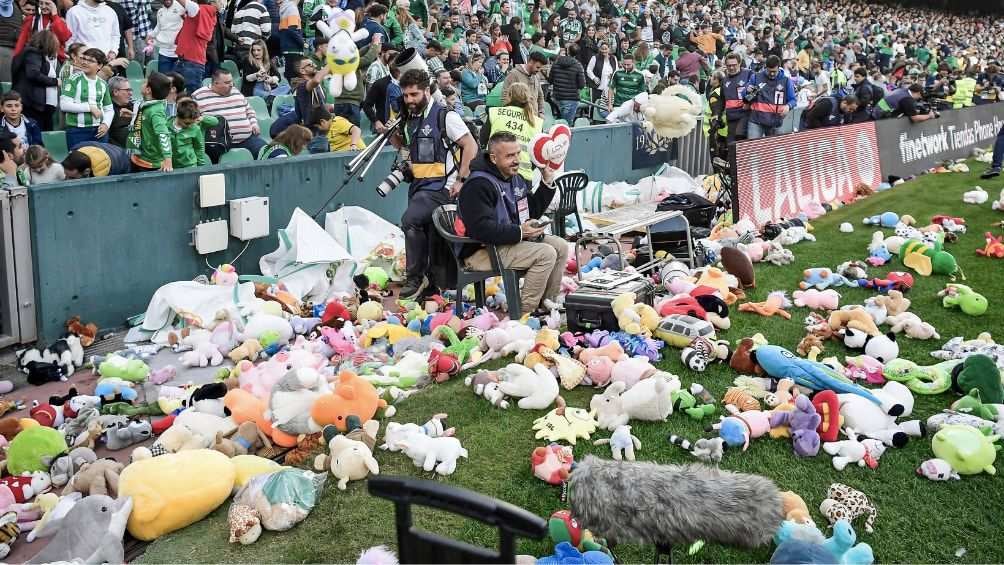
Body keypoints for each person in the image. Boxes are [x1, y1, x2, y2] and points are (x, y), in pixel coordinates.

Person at [457, 130, 564, 316]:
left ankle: (547, 304)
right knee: (545, 253)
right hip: (481, 250)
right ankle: (524, 313)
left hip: (507, 241)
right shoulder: (477, 184)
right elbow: (480, 229)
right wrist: (520, 232)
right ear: (493, 158)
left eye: (517, 154)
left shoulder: (516, 178)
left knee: (560, 246)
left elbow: (528, 211)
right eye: (509, 156)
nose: (516, 160)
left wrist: (546, 183)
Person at [392, 68, 477, 301]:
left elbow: (470, 146)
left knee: (410, 220)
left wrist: (461, 180)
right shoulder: (410, 118)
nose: (409, 100)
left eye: (414, 95)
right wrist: (391, 131)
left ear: (427, 92)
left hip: (442, 188)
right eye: (406, 95)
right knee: (429, 235)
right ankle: (432, 285)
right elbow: (404, 149)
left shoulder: (445, 116)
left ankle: (415, 277)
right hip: (419, 187)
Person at [192, 69, 268, 156]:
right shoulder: (198, 96)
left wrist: (254, 123)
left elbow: (249, 110)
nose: (231, 85)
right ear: (215, 83)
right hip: (217, 145)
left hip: (247, 139)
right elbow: (193, 120)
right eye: (227, 82)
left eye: (231, 81)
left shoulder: (235, 91)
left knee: (269, 152)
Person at [479, 81, 540, 181]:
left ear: (509, 96)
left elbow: (483, 139)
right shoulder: (536, 122)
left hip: (496, 172)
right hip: (523, 177)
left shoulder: (495, 113)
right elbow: (537, 155)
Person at [60, 48, 113, 149]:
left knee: (100, 162)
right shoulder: (73, 80)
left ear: (99, 66)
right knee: (79, 163)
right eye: (84, 59)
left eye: (90, 61)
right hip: (77, 130)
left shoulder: (103, 84)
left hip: (99, 131)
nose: (85, 62)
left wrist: (106, 124)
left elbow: (109, 109)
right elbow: (64, 105)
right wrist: (89, 107)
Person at [10, 29, 59, 131]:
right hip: (30, 102)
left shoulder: (27, 53)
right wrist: (55, 81)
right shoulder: (33, 53)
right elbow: (33, 74)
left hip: (28, 101)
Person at [127, 71, 174, 172]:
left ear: (148, 90)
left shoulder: (156, 111)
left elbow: (163, 134)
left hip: (150, 164)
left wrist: (168, 159)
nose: (142, 83)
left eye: (145, 82)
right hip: (139, 157)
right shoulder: (146, 106)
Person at [174, 0, 219, 95]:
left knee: (190, 99)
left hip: (190, 62)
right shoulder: (207, 13)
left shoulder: (196, 9)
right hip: (191, 60)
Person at [746, 54, 795, 139]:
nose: (772, 74)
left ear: (779, 68)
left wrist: (788, 106)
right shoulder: (756, 77)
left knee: (775, 149)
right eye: (769, 71)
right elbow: (746, 96)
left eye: (774, 71)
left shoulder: (786, 81)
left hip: (776, 122)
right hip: (756, 121)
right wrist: (747, 90)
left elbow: (793, 100)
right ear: (766, 67)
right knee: (753, 148)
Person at [549, 42, 585, 124]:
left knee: (560, 123)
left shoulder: (556, 63)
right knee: (566, 125)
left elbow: (550, 80)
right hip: (571, 99)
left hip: (557, 98)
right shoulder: (578, 65)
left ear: (567, 51)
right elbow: (582, 85)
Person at [502, 50, 546, 117]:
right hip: (518, 118)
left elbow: (540, 96)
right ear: (531, 62)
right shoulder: (513, 74)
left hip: (534, 118)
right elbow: (505, 96)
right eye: (538, 67)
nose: (539, 70)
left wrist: (541, 112)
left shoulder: (536, 76)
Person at [170, 97, 211, 168]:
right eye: (187, 123)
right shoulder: (166, 125)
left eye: (192, 123)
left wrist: (201, 166)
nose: (190, 126)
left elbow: (199, 148)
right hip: (171, 165)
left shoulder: (195, 128)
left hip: (190, 165)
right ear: (178, 116)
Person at [362, 63, 400, 134]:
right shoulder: (380, 84)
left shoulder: (408, 84)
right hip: (384, 128)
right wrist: (376, 121)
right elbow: (367, 105)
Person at [149, 0, 185, 74]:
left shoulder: (182, 7)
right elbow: (158, 27)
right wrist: (150, 35)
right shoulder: (160, 11)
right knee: (163, 79)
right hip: (164, 52)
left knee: (177, 81)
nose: (168, 1)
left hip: (178, 52)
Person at [61, 141, 132, 178]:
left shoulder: (103, 174)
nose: (66, 180)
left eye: (72, 178)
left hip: (124, 161)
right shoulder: (75, 149)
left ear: (86, 172)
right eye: (65, 175)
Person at [106, 76, 135, 147]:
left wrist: (134, 116)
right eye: (127, 90)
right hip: (118, 151)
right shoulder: (107, 111)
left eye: (131, 90)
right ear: (115, 92)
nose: (131, 93)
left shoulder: (135, 107)